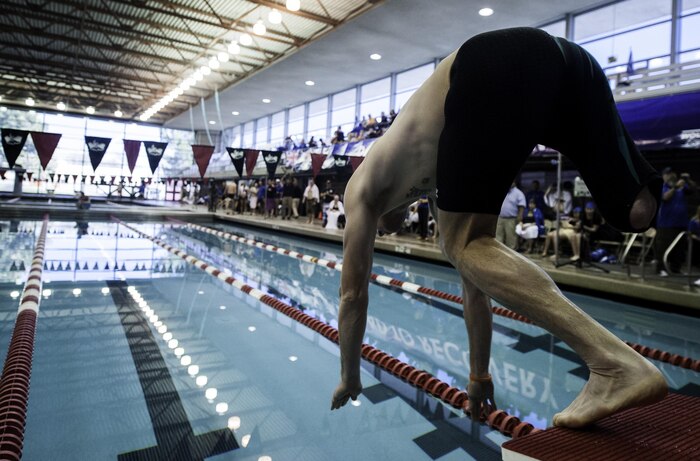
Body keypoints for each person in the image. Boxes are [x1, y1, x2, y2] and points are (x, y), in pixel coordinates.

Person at [330, 27, 666, 428]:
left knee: (462, 245)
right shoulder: (436, 180)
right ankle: (639, 198)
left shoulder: (361, 189)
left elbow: (352, 295)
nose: (379, 234)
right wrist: (479, 375)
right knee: (632, 213)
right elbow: (477, 291)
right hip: (568, 61)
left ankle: (614, 364)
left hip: (492, 61)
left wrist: (349, 375)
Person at [655, 168, 695, 276]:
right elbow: (665, 197)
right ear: (663, 176)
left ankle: (675, 268)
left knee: (679, 249)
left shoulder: (682, 188)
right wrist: (675, 187)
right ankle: (661, 269)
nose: (671, 176)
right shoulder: (662, 187)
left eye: (672, 173)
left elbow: (692, 189)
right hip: (666, 224)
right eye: (668, 174)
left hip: (681, 223)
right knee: (663, 247)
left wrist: (688, 180)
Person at [496, 182, 526, 250]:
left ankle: (511, 254)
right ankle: (499, 253)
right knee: (498, 237)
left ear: (514, 183)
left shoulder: (518, 193)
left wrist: (520, 216)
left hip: (511, 219)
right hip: (500, 218)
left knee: (511, 238)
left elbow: (521, 206)